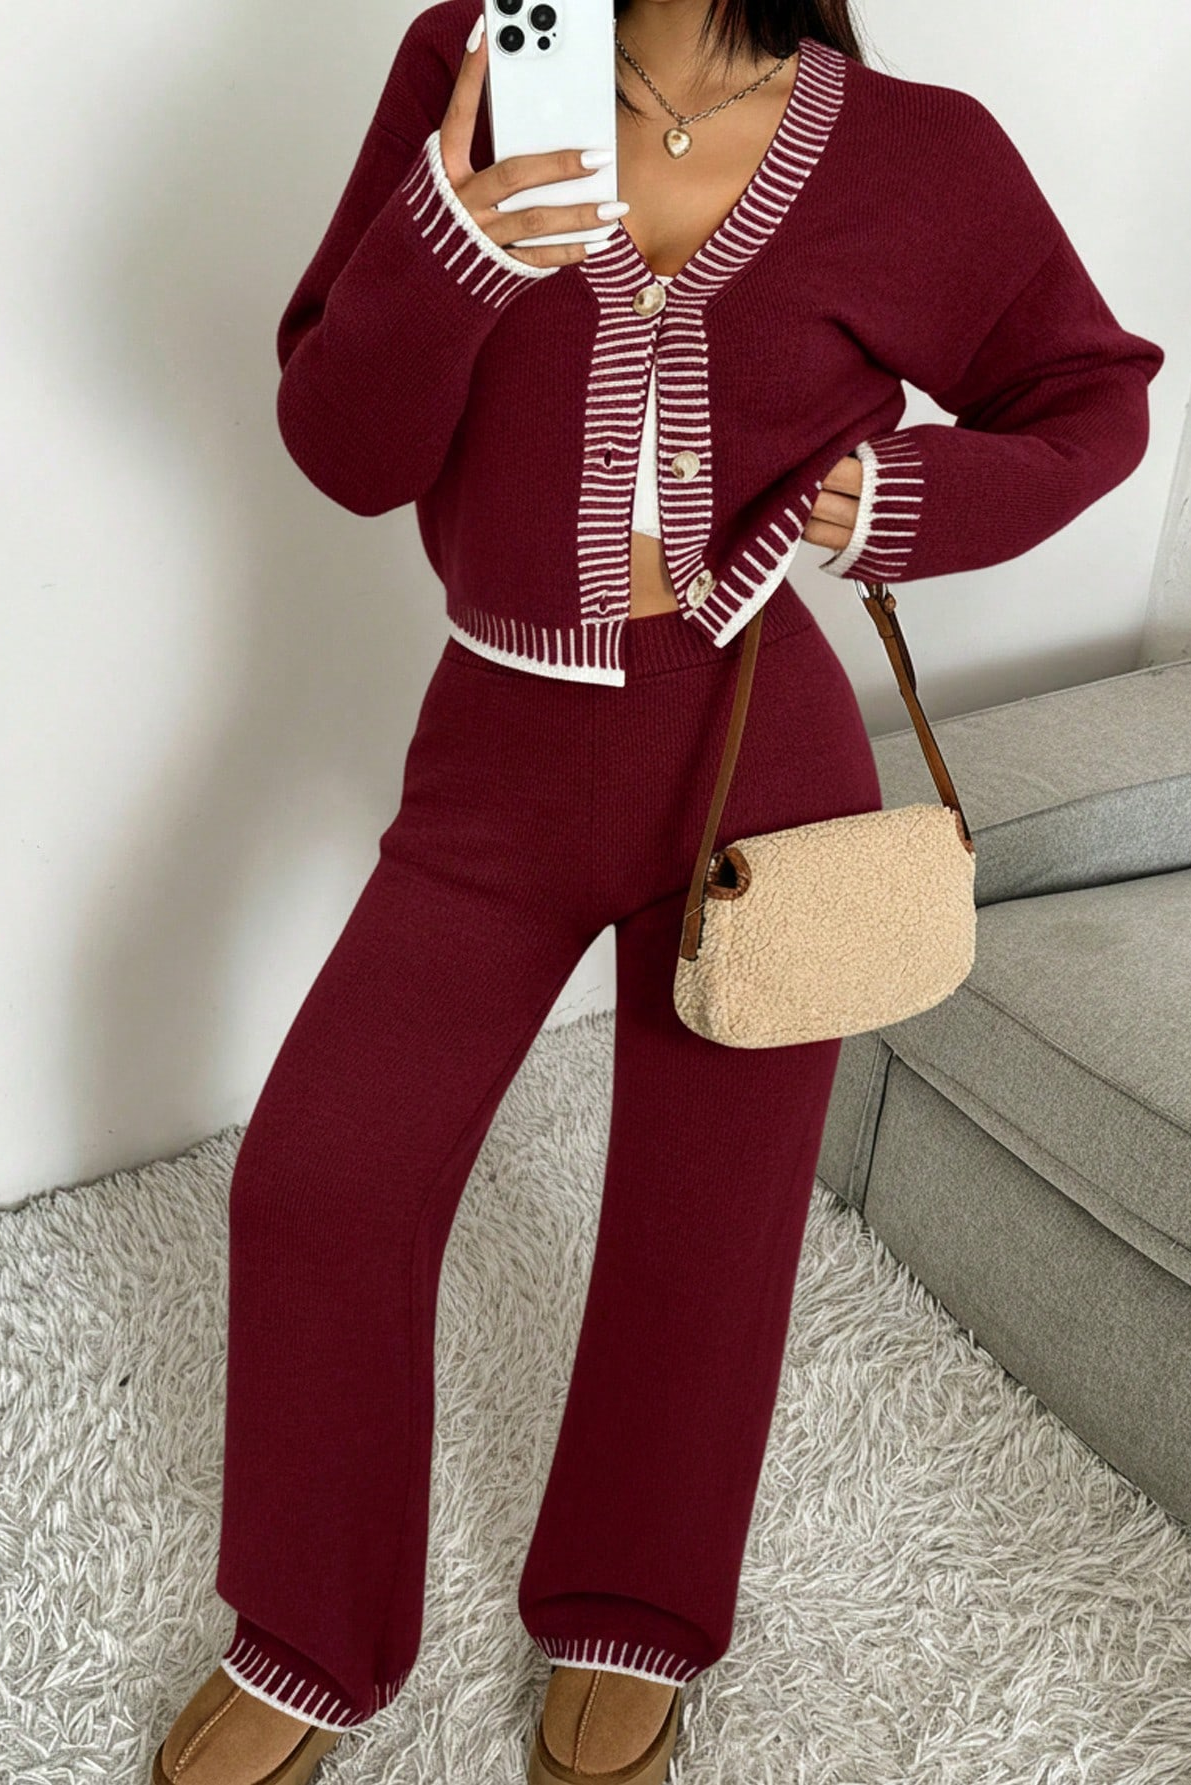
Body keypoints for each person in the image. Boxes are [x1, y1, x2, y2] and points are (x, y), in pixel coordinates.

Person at [150, 0, 1164, 1779]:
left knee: (707, 1224)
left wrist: (902, 497)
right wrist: (453, 248)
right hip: (498, 755)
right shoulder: (472, 64)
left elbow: (1091, 397)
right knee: (320, 1182)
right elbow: (344, 449)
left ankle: (633, 1612)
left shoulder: (916, 151)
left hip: (759, 757)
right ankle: (304, 1632)